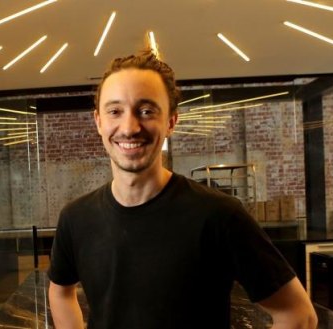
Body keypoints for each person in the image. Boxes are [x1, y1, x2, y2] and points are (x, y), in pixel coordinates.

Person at [47, 50, 318, 329]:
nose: (129, 127)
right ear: (98, 121)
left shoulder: (219, 215)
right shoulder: (76, 218)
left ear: (171, 122)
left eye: (146, 111)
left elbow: (298, 314)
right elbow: (60, 291)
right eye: (115, 111)